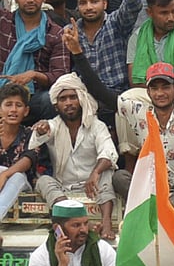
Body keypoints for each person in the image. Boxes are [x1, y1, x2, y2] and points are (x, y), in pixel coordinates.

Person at [65, 17, 174, 210]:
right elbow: (98, 90)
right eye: (155, 88)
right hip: (151, 191)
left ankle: (165, 212)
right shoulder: (138, 111)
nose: (160, 93)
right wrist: (77, 53)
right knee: (119, 177)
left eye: (165, 87)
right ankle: (162, 213)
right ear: (148, 92)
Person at [29, 74, 118, 240]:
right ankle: (77, 220)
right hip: (64, 188)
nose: (68, 103)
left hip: (93, 187)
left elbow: (109, 152)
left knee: (107, 172)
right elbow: (41, 134)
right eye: (63, 99)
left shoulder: (96, 126)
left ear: (81, 99)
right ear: (56, 106)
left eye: (73, 97)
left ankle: (106, 223)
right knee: (43, 181)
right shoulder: (53, 125)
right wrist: (42, 129)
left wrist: (95, 172)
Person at [70, 0, 143, 99]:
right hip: (84, 96)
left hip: (117, 95)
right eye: (83, 3)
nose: (89, 7)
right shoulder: (70, 32)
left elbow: (133, 4)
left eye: (94, 1)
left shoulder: (116, 23)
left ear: (104, 4)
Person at [0, 0, 69, 123]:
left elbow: (60, 75)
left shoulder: (55, 33)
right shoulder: (3, 21)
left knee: (50, 99)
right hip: (2, 90)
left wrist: (34, 75)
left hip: (35, 95)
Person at [0, 83, 39, 219]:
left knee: (17, 176)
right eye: (8, 104)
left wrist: (5, 175)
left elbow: (28, 160)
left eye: (18, 105)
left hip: (22, 191)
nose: (13, 110)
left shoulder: (30, 134)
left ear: (26, 111)